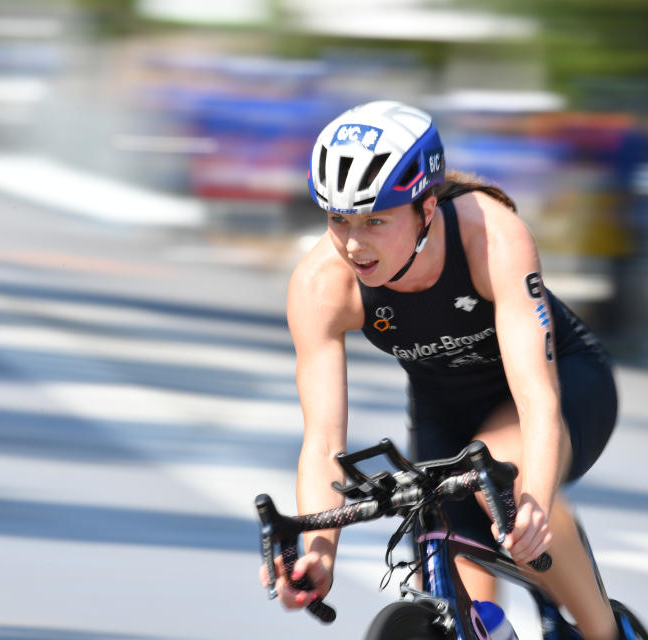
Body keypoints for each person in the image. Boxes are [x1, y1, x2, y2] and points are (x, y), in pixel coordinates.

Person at [260, 100, 624, 639]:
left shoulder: (490, 236)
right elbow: (322, 441)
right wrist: (320, 551)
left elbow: (538, 400)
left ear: (425, 208)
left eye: (376, 221)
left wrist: (536, 500)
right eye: (338, 220)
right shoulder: (320, 285)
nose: (354, 244)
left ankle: (605, 633)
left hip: (562, 387)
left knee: (509, 479)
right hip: (445, 413)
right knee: (463, 602)